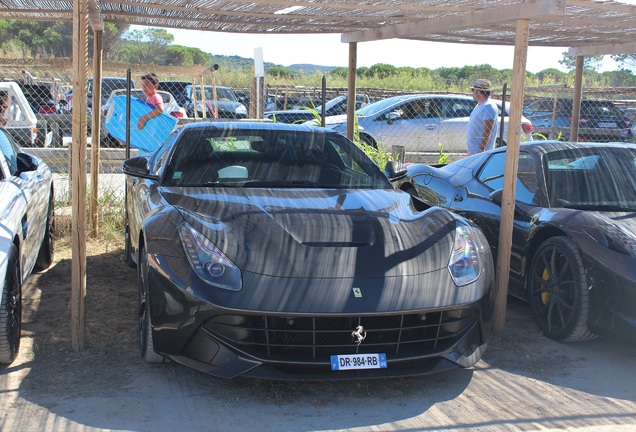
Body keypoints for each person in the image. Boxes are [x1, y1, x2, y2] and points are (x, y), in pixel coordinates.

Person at [466, 79, 499, 155]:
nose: (472, 93)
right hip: (474, 151)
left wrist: (481, 148)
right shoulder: (480, 105)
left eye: (473, 90)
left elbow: (487, 130)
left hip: (481, 152)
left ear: (479, 92)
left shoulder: (488, 106)